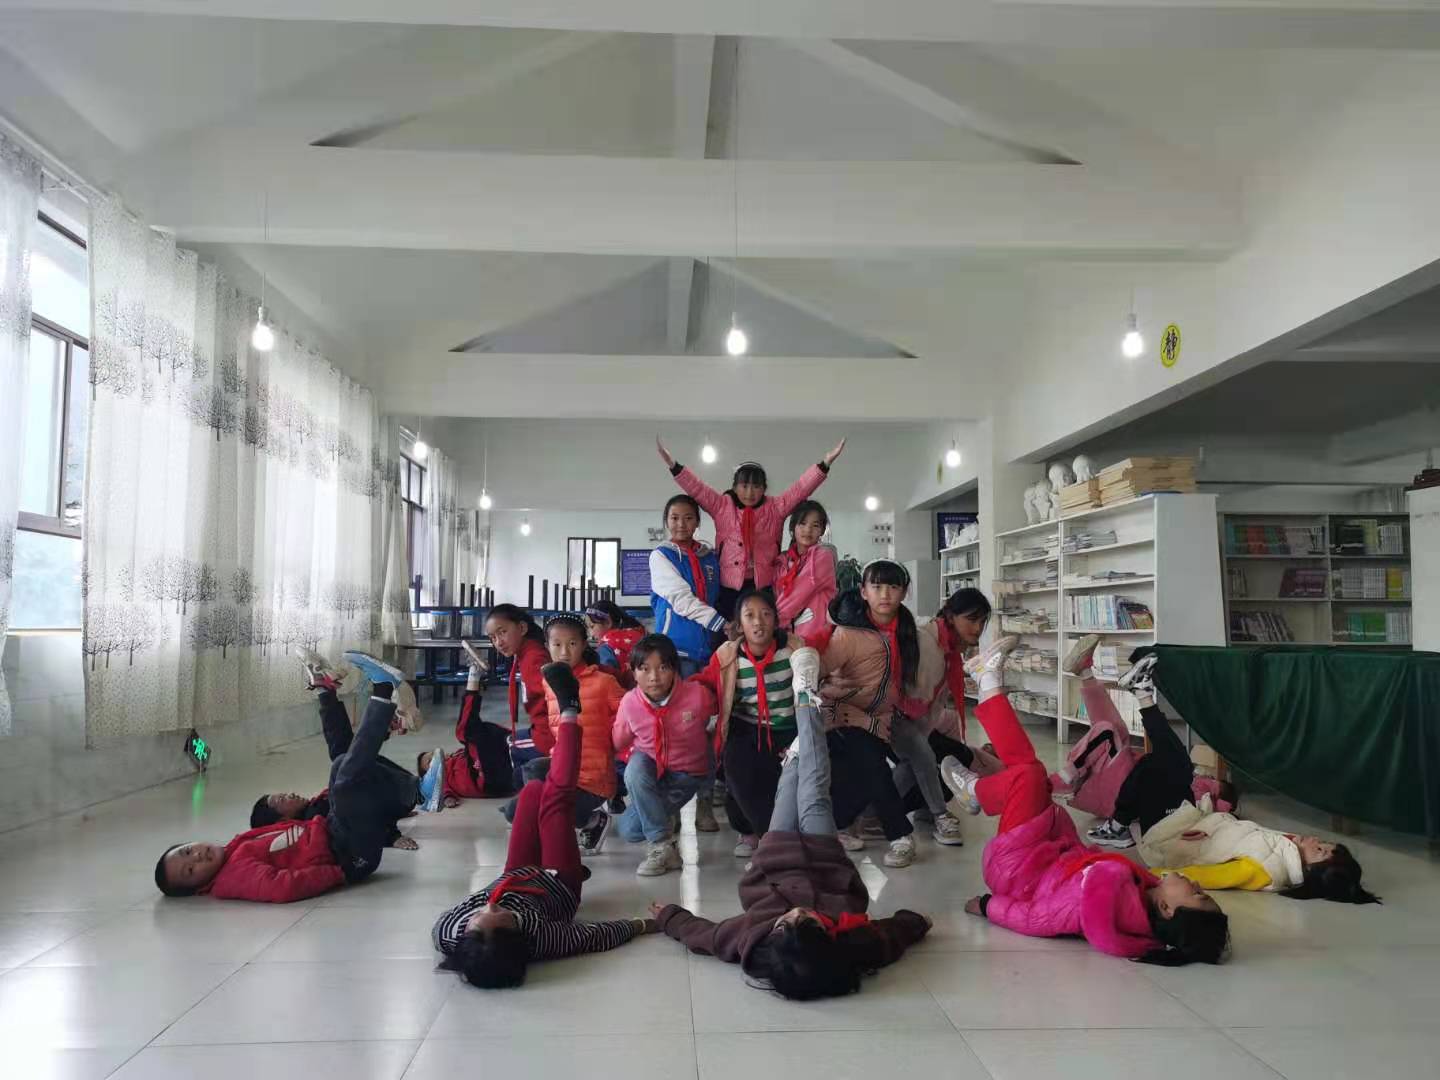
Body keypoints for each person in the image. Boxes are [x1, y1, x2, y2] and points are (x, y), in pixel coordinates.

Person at [653, 647, 932, 999]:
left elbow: (705, 936)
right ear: (830, 940)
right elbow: (891, 935)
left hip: (777, 852)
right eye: (810, 922)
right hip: (822, 853)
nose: (797, 912)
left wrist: (668, 916)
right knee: (813, 789)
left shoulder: (752, 938)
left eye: (785, 924)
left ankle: (802, 741)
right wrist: (918, 922)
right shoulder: (856, 944)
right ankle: (805, 693)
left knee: (790, 781)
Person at [941, 637, 1230, 966]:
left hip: (1017, 869)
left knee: (1030, 774)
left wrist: (987, 906)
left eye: (1197, 894)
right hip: (1047, 848)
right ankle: (990, 683)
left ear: (1166, 909)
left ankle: (981, 783)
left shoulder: (1100, 904)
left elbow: (1036, 918)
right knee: (1037, 765)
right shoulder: (1142, 891)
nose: (1197, 885)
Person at [1083, 655, 1379, 905]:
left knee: (1174, 764)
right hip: (1189, 823)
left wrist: (1142, 876)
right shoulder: (1287, 849)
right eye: (1325, 843)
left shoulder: (1267, 870)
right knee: (1158, 765)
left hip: (1168, 839)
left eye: (1320, 851)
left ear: (1311, 873)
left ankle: (1142, 693)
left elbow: (1210, 876)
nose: (1315, 841)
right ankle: (1119, 823)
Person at [434, 662, 659, 988]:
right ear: (518, 937)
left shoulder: (448, 932)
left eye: (477, 921)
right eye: (500, 919)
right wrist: (644, 925)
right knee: (554, 799)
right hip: (558, 884)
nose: (490, 905)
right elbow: (595, 935)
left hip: (515, 875)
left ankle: (581, 810)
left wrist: (488, 914)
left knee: (533, 791)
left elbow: (479, 922)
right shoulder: (542, 939)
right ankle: (570, 709)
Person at [155, 652, 416, 901]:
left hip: (339, 834)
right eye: (190, 870)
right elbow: (282, 887)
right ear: (197, 888)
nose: (197, 857)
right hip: (348, 855)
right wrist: (338, 873)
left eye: (187, 851)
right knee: (345, 771)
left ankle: (348, 694)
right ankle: (374, 693)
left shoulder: (237, 845)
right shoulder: (233, 876)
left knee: (341, 764)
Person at [821, 560, 964, 866]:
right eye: (877, 586)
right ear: (864, 592)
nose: (885, 594)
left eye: (893, 587)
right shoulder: (849, 631)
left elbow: (908, 681)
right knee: (871, 766)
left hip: (889, 713)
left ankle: (937, 815)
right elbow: (820, 671)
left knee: (922, 753)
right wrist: (832, 687)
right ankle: (892, 831)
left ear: (904, 592)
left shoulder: (908, 631)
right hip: (851, 714)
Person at [249, 648, 432, 851]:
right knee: (343, 761)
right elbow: (357, 821)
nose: (290, 793)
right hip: (404, 795)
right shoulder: (317, 819)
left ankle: (333, 691)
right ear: (283, 821)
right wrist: (390, 836)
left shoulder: (316, 806)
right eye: (282, 799)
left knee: (343, 757)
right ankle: (370, 695)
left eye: (284, 793)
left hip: (400, 793)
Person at [656, 436, 846, 618]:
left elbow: (800, 489)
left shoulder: (775, 508)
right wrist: (674, 466)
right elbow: (697, 489)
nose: (749, 492)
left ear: (764, 488)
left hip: (763, 585)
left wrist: (824, 464)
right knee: (729, 633)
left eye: (756, 486)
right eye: (744, 486)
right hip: (729, 587)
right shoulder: (722, 506)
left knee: (762, 631)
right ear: (735, 487)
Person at [502, 615, 626, 856]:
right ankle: (562, 818)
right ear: (547, 646)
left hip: (593, 779)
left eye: (572, 644)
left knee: (545, 809)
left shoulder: (604, 682)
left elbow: (630, 715)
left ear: (584, 644)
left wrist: (613, 741)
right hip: (564, 770)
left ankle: (591, 820)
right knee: (514, 811)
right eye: (557, 644)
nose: (564, 652)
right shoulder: (549, 682)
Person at [693, 589, 799, 859]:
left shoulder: (795, 649)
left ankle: (773, 836)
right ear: (739, 625)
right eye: (749, 615)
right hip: (746, 725)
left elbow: (821, 671)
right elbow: (705, 683)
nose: (758, 622)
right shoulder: (727, 655)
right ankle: (762, 837)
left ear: (776, 620)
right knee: (736, 769)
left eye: (766, 614)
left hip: (787, 728)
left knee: (776, 782)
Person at [612, 634, 718, 876]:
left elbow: (714, 727)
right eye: (644, 669)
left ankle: (661, 835)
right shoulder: (630, 702)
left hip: (686, 774)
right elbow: (618, 741)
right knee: (629, 827)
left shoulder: (697, 696)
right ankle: (663, 840)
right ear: (633, 672)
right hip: (652, 770)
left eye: (662, 668)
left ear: (674, 668)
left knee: (638, 825)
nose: (654, 677)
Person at [415, 641, 517, 804]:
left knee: (482, 731)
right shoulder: (443, 778)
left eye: (432, 753)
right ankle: (474, 672)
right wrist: (448, 799)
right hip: (486, 779)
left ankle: (517, 740)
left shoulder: (456, 757)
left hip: (502, 772)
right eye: (429, 760)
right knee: (465, 731)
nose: (435, 755)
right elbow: (444, 792)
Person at [650, 493, 726, 677]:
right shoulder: (661, 556)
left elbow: (716, 596)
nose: (681, 524)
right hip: (676, 649)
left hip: (709, 646)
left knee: (706, 694)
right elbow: (681, 599)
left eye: (688, 518)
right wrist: (721, 624)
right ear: (667, 521)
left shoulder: (709, 556)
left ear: (698, 522)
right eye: (675, 518)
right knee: (682, 695)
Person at [485, 604, 551, 790]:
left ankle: (535, 795)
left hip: (548, 735)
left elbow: (553, 699)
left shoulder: (533, 658)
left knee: (509, 745)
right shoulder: (527, 653)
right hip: (542, 728)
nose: (498, 642)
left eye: (502, 632)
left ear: (522, 628)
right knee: (510, 739)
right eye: (493, 637)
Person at [772, 499, 838, 649]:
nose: (808, 530)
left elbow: (797, 594)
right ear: (793, 527)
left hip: (814, 638)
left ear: (822, 531)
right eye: (802, 523)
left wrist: (771, 623)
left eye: (815, 525)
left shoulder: (823, 556)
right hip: (786, 637)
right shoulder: (782, 562)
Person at [585, 599, 646, 675]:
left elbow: (605, 677)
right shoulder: (640, 634)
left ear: (608, 622)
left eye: (592, 626)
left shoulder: (606, 648)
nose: (591, 634)